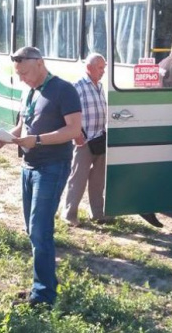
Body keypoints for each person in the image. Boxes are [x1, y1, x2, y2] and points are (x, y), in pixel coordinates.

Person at [0, 46, 82, 307]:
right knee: (33, 230)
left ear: (40, 63)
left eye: (26, 72)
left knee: (40, 230)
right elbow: (23, 126)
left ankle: (43, 296)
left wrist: (37, 140)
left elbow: (74, 130)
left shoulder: (64, 90)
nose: (22, 78)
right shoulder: (29, 91)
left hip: (52, 167)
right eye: (18, 74)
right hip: (28, 166)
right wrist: (4, 138)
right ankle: (43, 284)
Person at [61, 53, 108, 226]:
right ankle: (69, 214)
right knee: (78, 178)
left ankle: (98, 213)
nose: (103, 71)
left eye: (104, 68)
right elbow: (68, 113)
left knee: (98, 179)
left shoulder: (100, 86)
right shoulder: (77, 86)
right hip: (84, 140)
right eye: (100, 68)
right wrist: (76, 134)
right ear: (89, 68)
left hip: (100, 138)